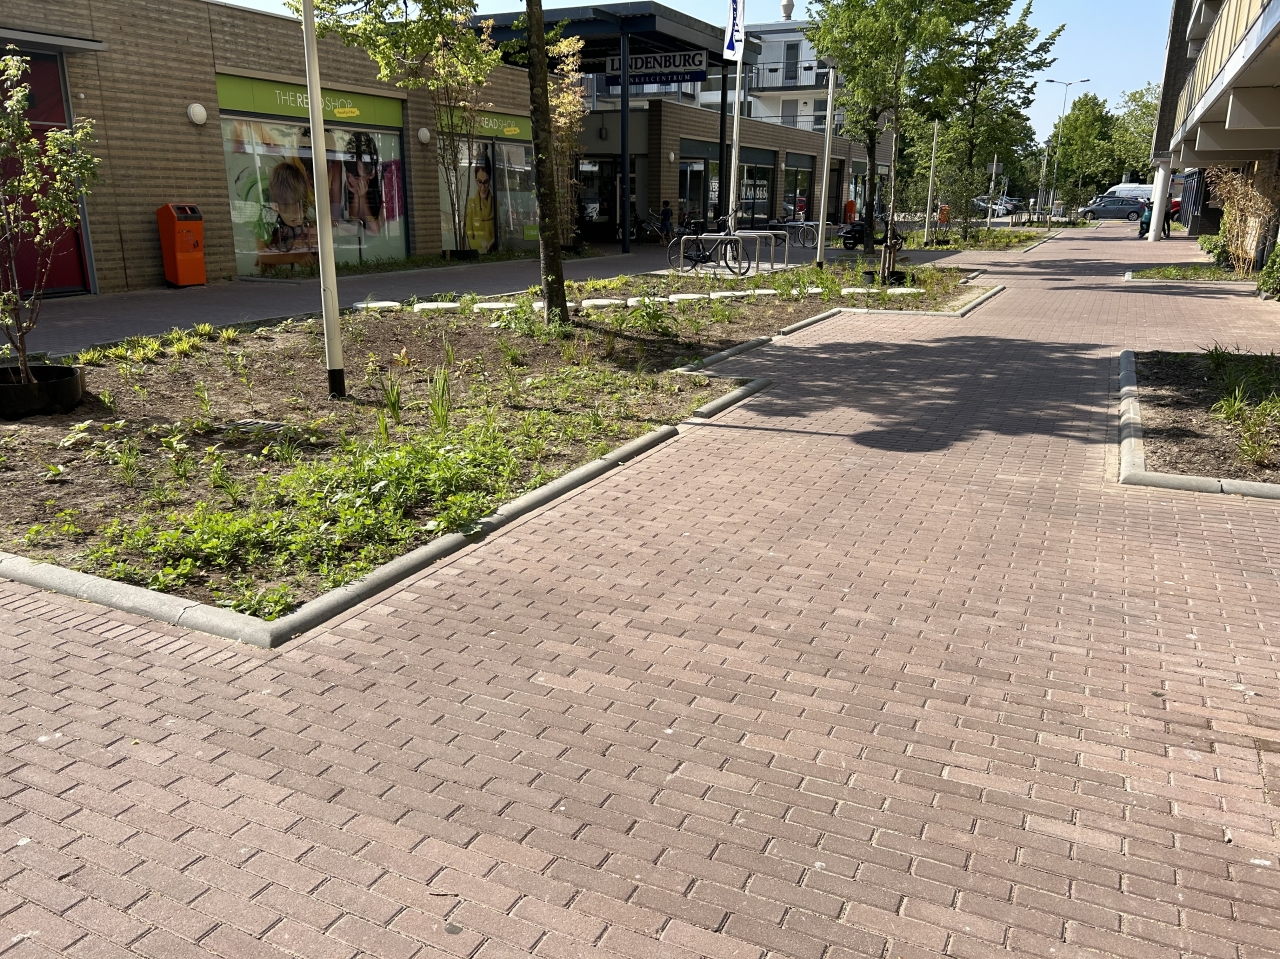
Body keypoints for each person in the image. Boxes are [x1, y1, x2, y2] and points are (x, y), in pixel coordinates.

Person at [464, 154, 496, 254]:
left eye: (485, 182)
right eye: (479, 182)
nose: (482, 188)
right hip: (478, 255)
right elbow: (469, 236)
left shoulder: (496, 204)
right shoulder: (471, 204)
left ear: (490, 180)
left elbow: (503, 234)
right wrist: (481, 243)